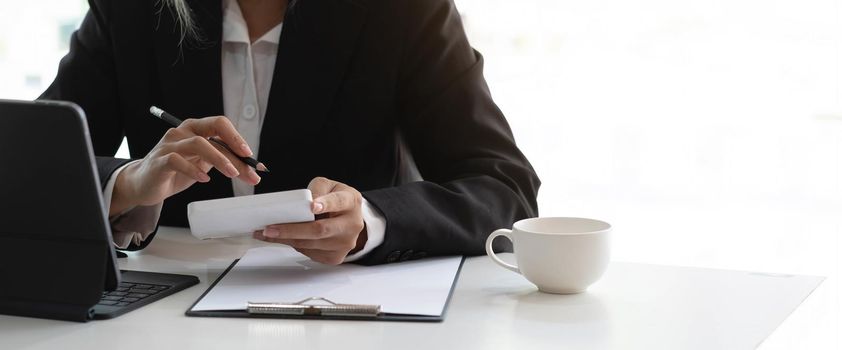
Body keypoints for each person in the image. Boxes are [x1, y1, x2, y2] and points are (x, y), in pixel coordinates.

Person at [42, 0, 540, 265]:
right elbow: (24, 162)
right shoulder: (130, 8)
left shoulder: (403, 9)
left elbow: (503, 188)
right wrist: (126, 182)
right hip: (159, 320)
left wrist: (371, 221)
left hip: (344, 314)